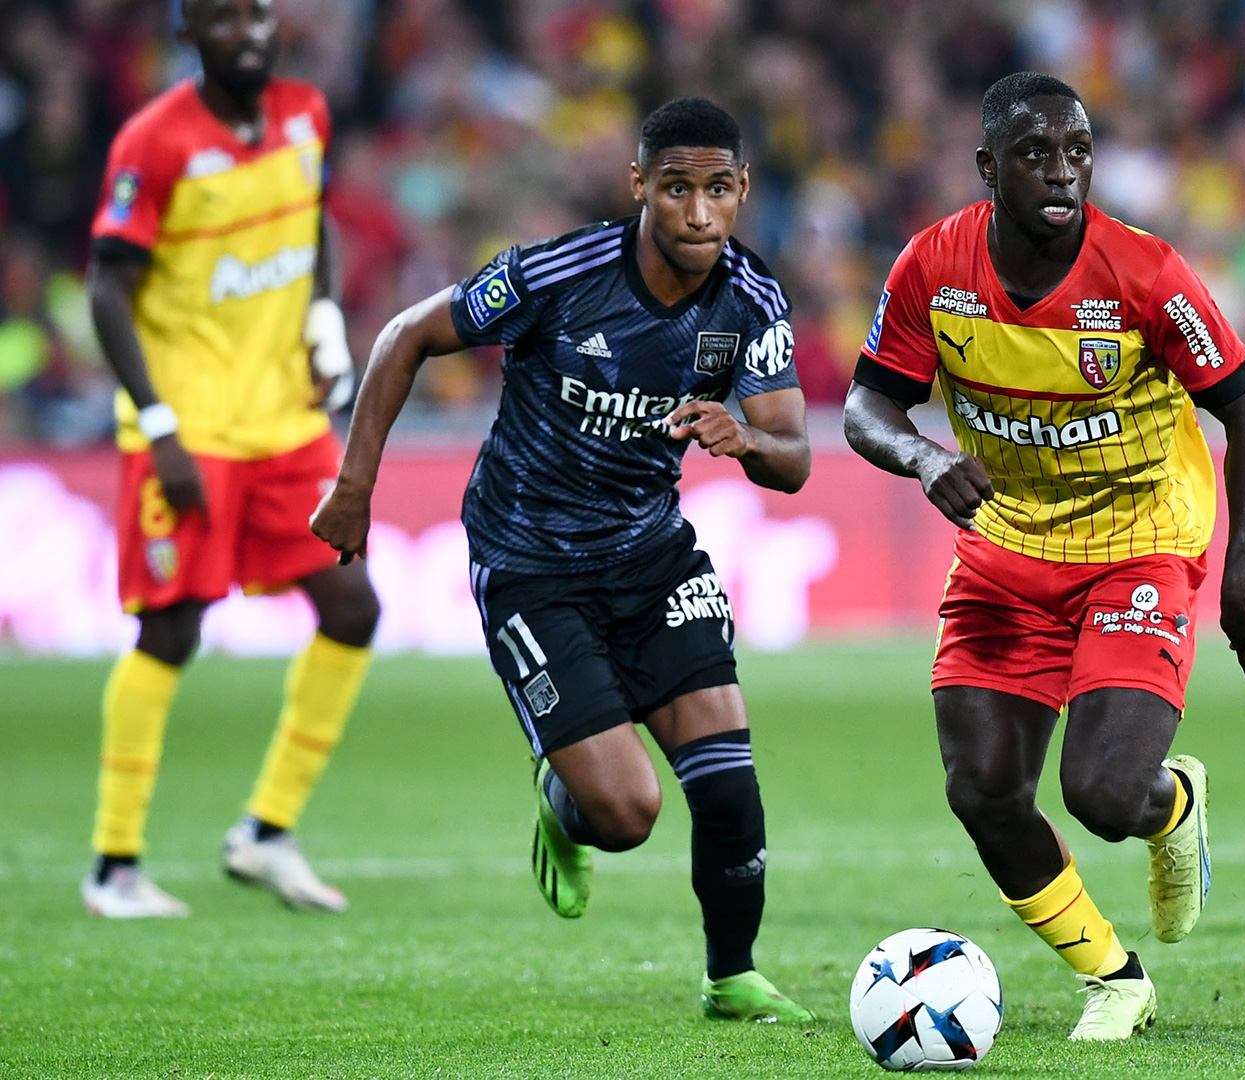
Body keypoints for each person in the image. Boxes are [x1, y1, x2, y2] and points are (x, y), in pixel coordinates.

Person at [310, 98, 814, 1024]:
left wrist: (742, 436)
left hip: (651, 554)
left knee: (728, 778)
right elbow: (404, 336)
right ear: (639, 188)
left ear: (742, 190)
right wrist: (355, 487)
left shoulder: (752, 298)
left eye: (717, 191)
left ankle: (731, 976)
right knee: (628, 815)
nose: (698, 214)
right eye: (676, 190)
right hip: (530, 561)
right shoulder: (561, 273)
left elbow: (795, 458)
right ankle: (564, 796)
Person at [845, 72, 1245, 1041]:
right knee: (980, 790)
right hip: (1005, 548)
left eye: (1077, 152)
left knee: (1100, 795)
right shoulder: (933, 266)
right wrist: (923, 457)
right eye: (1035, 154)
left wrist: (1243, 575)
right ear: (987, 169)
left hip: (1138, 540)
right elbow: (866, 407)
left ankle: (1170, 802)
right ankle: (1115, 976)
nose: (1062, 172)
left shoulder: (1145, 274)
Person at [82, 0, 377, 918]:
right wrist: (159, 422)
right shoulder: (154, 141)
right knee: (171, 631)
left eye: (256, 14)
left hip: (285, 425)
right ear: (189, 35)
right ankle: (115, 865)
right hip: (193, 430)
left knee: (352, 606)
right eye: (221, 18)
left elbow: (312, 220)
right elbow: (106, 287)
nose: (246, 32)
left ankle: (267, 831)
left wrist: (324, 317)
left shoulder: (304, 113)